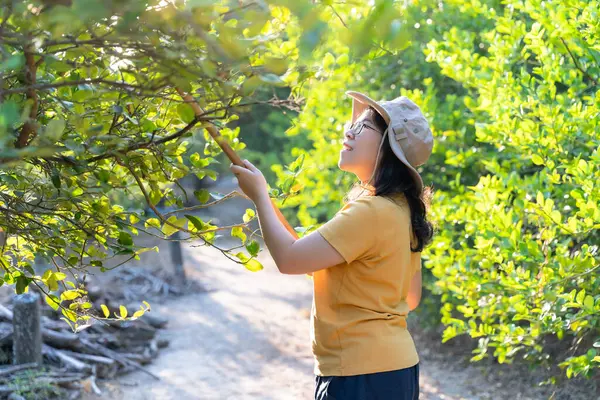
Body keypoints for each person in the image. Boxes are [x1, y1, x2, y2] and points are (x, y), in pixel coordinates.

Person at [231, 91, 434, 400]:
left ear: (386, 147)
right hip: (396, 370)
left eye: (363, 127)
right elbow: (410, 296)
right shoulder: (402, 209)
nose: (348, 131)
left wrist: (259, 195)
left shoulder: (370, 212)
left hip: (360, 374)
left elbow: (288, 259)